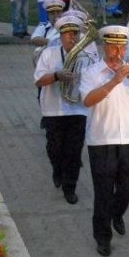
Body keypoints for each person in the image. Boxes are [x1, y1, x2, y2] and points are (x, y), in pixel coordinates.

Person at [79, 25, 129, 257]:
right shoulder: (91, 73)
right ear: (104, 47)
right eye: (113, 46)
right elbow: (88, 100)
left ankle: (117, 213)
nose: (118, 51)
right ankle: (102, 237)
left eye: (122, 46)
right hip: (102, 140)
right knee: (103, 192)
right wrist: (114, 81)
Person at [33, 15, 91, 205]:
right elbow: (39, 80)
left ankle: (70, 187)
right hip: (53, 110)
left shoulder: (87, 55)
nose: (72, 37)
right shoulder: (49, 54)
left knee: (74, 152)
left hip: (78, 110)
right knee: (54, 149)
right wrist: (57, 75)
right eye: (68, 34)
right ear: (61, 35)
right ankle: (57, 170)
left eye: (75, 33)